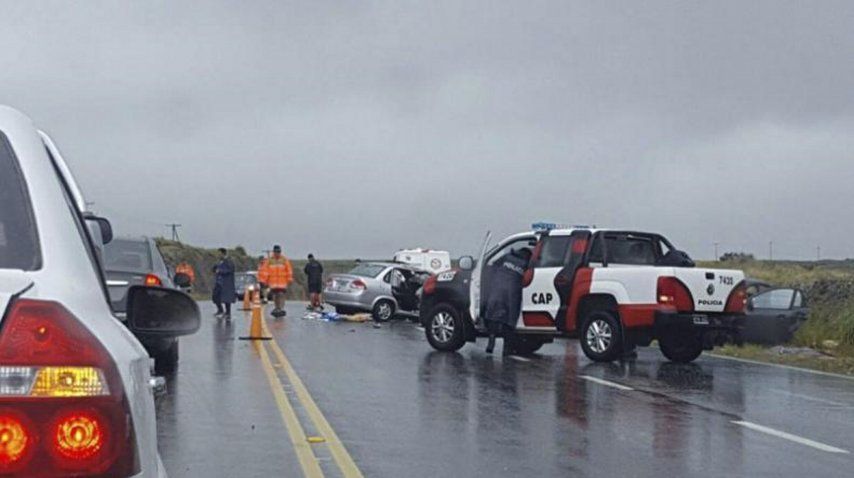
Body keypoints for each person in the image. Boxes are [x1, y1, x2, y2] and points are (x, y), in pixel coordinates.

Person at [483, 247, 532, 355]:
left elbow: (492, 266)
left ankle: (491, 341)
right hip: (512, 293)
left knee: (493, 316)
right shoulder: (526, 263)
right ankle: (507, 349)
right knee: (509, 321)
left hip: (498, 288)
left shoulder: (507, 257)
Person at [258, 245, 293, 317]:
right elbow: (265, 271)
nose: (278, 253)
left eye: (279, 252)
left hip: (282, 282)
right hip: (273, 282)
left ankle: (281, 308)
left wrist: (289, 279)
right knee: (275, 295)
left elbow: (289, 270)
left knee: (281, 295)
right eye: (276, 252)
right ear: (274, 252)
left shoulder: (284, 260)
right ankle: (277, 307)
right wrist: (264, 281)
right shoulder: (269, 261)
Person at [213, 248, 236, 319]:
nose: (218, 255)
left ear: (223, 254)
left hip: (226, 282)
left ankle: (228, 312)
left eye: (219, 254)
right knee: (215, 296)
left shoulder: (229, 261)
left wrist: (220, 271)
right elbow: (215, 269)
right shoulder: (220, 262)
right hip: (219, 282)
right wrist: (215, 269)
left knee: (227, 298)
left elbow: (230, 270)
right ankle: (220, 310)